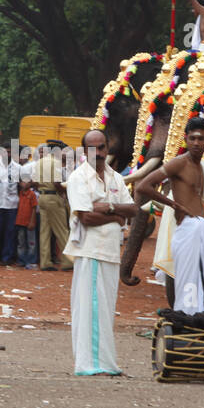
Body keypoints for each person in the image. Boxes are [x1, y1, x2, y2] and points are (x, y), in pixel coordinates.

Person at [64, 129, 139, 375]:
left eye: (101, 147)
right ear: (85, 151)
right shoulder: (78, 178)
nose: (98, 153)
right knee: (91, 308)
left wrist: (107, 208)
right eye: (92, 148)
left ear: (108, 149)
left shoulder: (116, 177)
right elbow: (85, 216)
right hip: (91, 251)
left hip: (110, 252)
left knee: (105, 309)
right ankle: (91, 365)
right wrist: (116, 215)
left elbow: (132, 209)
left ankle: (105, 363)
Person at [137, 117, 204, 313]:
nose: (196, 143)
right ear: (185, 139)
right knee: (187, 282)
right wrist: (173, 204)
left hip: (200, 230)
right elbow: (143, 186)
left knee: (199, 281)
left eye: (200, 139)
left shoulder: (203, 168)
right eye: (192, 138)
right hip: (185, 231)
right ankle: (186, 319)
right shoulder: (178, 163)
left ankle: (195, 320)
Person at [35, 142, 72, 270]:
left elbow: (34, 182)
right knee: (62, 230)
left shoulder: (39, 162)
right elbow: (57, 183)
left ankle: (45, 262)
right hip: (53, 197)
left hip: (42, 196)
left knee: (44, 231)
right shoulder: (55, 162)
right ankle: (68, 261)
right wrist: (64, 193)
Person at [15, 170, 39, 269]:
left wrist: (32, 221)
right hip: (20, 222)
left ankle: (32, 261)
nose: (25, 183)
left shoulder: (32, 194)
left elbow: (34, 208)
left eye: (27, 181)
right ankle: (22, 260)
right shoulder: (19, 193)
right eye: (23, 181)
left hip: (29, 222)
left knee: (31, 243)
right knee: (21, 243)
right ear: (20, 183)